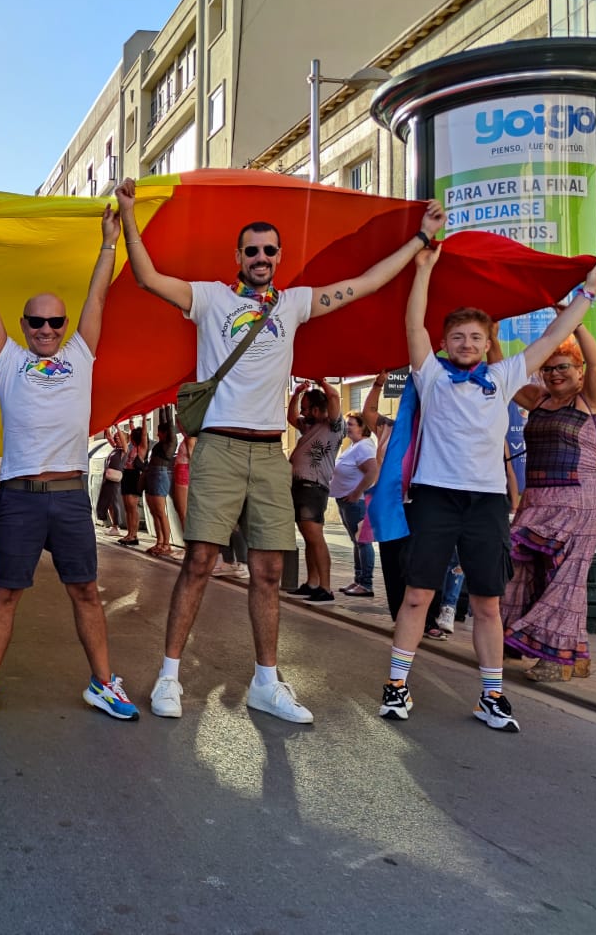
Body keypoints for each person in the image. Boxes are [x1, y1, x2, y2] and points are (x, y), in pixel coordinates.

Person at [116, 175, 447, 724]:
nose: (262, 257)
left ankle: (266, 684)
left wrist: (419, 240)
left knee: (269, 570)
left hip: (271, 454)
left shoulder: (293, 303)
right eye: (253, 250)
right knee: (198, 560)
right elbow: (148, 277)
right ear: (238, 256)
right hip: (219, 449)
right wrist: (128, 214)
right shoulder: (209, 298)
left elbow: (363, 284)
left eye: (270, 250)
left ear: (278, 256)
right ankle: (169, 676)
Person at [377, 246, 596, 733]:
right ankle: (397, 685)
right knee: (418, 596)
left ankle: (492, 695)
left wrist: (587, 294)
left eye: (475, 337)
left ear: (487, 344)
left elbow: (553, 336)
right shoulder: (433, 374)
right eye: (457, 336)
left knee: (487, 602)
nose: (466, 343)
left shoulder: (504, 377)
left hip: (485, 504)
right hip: (435, 497)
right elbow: (412, 326)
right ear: (446, 342)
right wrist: (422, 270)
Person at [0, 185, 139, 723]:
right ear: (25, 326)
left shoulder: (81, 354)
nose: (50, 330)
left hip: (71, 497)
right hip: (20, 498)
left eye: (57, 321)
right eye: (38, 322)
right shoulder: (7, 361)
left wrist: (110, 241)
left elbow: (97, 299)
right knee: (6, 593)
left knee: (85, 591)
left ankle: (103, 684)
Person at [502, 320, 596, 682]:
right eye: (548, 368)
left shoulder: (590, 399)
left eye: (563, 366)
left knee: (565, 580)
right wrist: (489, 342)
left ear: (578, 371)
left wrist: (576, 322)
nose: (554, 373)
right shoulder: (539, 398)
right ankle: (538, 646)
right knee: (518, 564)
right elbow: (506, 378)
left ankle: (558, 659)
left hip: (580, 499)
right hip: (538, 499)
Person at [285, 379, 344, 604]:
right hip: (300, 485)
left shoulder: (334, 426)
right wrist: (297, 393)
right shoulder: (309, 427)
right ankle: (312, 582)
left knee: (315, 536)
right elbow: (291, 418)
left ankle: (326, 588)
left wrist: (321, 381)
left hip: (314, 487)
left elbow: (335, 398)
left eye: (306, 407)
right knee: (309, 538)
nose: (303, 412)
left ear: (318, 409)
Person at [329, 410, 378, 598]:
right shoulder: (354, 446)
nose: (347, 427)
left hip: (356, 502)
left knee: (363, 542)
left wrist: (357, 492)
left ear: (362, 427)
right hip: (346, 501)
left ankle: (366, 584)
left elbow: (372, 472)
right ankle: (358, 580)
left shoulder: (364, 447)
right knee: (357, 542)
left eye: (351, 424)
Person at [144, 421, 177, 558]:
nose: (157, 434)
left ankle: (166, 545)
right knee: (154, 512)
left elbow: (170, 424)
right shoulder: (158, 445)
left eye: (160, 431)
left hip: (159, 475)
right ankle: (159, 542)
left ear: (166, 433)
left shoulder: (169, 443)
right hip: (151, 474)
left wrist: (164, 407)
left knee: (160, 512)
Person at [117, 426, 146, 548]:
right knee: (127, 507)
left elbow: (144, 435)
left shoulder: (141, 448)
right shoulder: (132, 447)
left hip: (134, 476)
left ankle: (134, 535)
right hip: (127, 475)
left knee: (132, 507)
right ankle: (129, 533)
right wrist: (131, 422)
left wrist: (144, 417)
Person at [97, 429, 124, 536]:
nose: (116, 437)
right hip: (107, 479)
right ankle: (113, 525)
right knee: (107, 503)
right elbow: (108, 436)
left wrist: (118, 427)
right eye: (115, 436)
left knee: (113, 502)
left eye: (118, 436)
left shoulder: (124, 450)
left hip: (114, 480)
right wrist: (107, 425)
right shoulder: (115, 449)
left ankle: (116, 526)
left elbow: (122, 440)